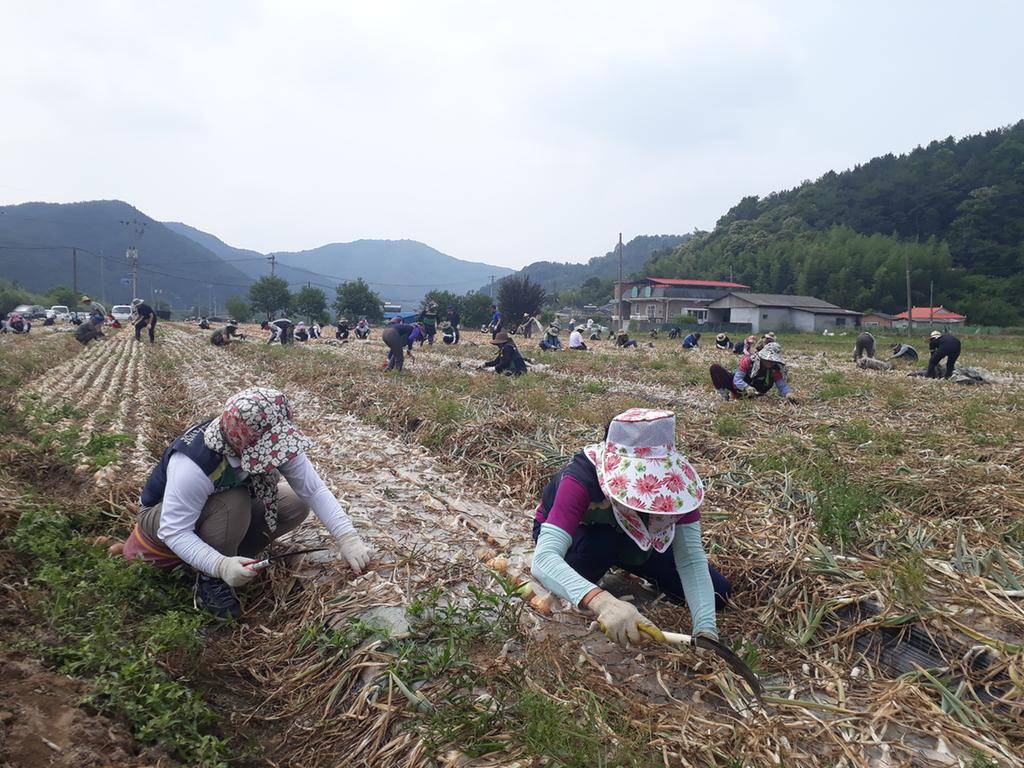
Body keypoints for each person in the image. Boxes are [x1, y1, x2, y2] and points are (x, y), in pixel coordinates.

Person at [122, 387, 373, 618]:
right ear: (241, 446)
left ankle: (235, 558)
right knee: (234, 501)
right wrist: (219, 566)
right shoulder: (194, 464)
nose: (277, 455)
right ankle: (211, 580)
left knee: (294, 502)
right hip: (160, 520)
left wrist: (347, 538)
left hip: (209, 515)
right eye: (269, 450)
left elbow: (313, 489)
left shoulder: (270, 436)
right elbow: (174, 530)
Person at [529, 408, 728, 647]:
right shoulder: (582, 477)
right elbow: (545, 559)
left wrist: (706, 630)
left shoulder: (675, 490)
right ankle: (594, 572)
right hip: (582, 535)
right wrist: (603, 602)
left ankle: (623, 560)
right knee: (600, 545)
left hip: (636, 538)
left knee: (718, 593)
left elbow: (691, 560)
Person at [710, 342, 794, 401]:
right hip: (739, 388)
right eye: (768, 359)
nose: (770, 362)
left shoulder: (775, 369)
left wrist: (788, 394)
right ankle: (725, 397)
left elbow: (782, 385)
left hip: (756, 394)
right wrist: (746, 387)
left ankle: (744, 397)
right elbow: (737, 379)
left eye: (772, 360)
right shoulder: (749, 361)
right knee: (715, 369)